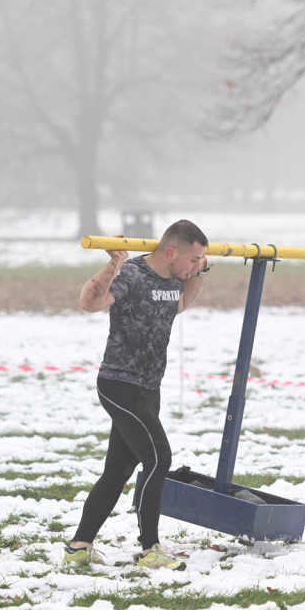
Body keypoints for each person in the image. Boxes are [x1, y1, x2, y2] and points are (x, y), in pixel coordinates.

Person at [66, 219, 211, 570]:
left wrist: (199, 273)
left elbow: (179, 305)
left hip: (149, 386)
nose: (195, 267)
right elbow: (89, 303)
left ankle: (79, 546)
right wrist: (114, 262)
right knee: (158, 458)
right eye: (193, 260)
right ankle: (150, 550)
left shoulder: (173, 279)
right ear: (171, 252)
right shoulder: (133, 274)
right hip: (120, 383)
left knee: (118, 469)